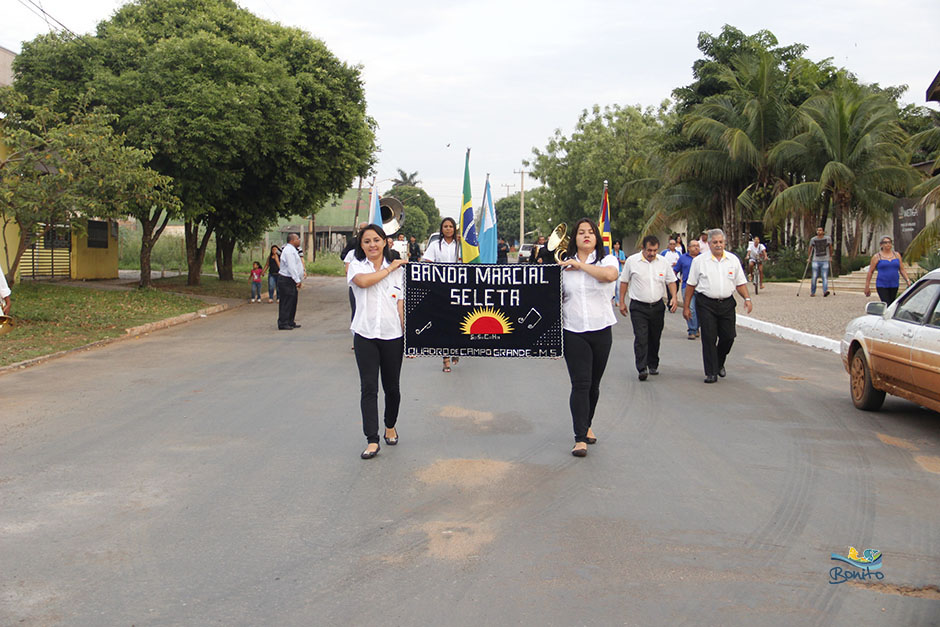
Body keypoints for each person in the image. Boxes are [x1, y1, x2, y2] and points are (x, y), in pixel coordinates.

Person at [559, 218, 620, 457]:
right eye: (581, 232)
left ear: (597, 237)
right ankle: (580, 438)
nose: (586, 235)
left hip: (601, 328)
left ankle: (587, 423)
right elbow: (554, 301)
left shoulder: (608, 260)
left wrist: (581, 266)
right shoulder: (563, 268)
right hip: (573, 330)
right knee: (581, 383)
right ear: (574, 238)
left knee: (594, 384)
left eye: (590, 232)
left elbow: (609, 276)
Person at [348, 224, 408, 459]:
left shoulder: (399, 271)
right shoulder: (356, 265)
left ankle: (390, 425)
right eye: (366, 241)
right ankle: (372, 439)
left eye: (376, 240)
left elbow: (401, 304)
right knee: (369, 387)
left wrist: (409, 336)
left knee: (392, 388)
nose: (372, 245)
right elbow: (363, 282)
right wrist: (389, 268)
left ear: (385, 241)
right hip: (365, 335)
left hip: (393, 335)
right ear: (361, 245)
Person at [683, 229, 752, 383]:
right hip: (706, 303)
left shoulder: (733, 260)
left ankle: (720, 362)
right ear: (709, 244)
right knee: (709, 338)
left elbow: (740, 283)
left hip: (727, 303)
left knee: (728, 337)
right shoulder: (699, 261)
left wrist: (747, 298)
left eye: (721, 242)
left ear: (724, 243)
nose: (718, 245)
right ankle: (711, 372)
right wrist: (686, 307)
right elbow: (690, 285)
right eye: (715, 242)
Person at [618, 235, 678, 381]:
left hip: (657, 306)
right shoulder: (632, 262)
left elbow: (671, 281)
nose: (652, 253)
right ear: (643, 248)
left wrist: (674, 298)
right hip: (639, 307)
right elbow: (624, 282)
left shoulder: (663, 262)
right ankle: (642, 367)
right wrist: (621, 301)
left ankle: (653, 363)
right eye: (649, 250)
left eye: (655, 250)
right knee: (641, 337)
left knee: (654, 337)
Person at [422, 217, 461, 372]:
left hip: (458, 290)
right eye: (445, 226)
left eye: (451, 226)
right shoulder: (435, 245)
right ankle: (445, 359)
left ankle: (457, 349)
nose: (448, 229)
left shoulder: (461, 246)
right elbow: (427, 263)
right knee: (443, 323)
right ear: (441, 228)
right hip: (440, 290)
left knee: (457, 322)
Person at [864, 236, 911, 304]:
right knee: (886, 303)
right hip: (882, 284)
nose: (888, 244)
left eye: (889, 242)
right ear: (881, 245)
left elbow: (902, 269)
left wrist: (908, 280)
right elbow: (870, 272)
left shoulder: (897, 255)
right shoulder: (877, 257)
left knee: (892, 303)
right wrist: (867, 286)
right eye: (885, 243)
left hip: (894, 284)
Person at [673, 239, 702, 340]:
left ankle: (697, 327)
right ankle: (692, 330)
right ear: (688, 247)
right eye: (693, 246)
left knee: (700, 309)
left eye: (697, 245)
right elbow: (675, 270)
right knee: (691, 308)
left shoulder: (703, 258)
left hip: (701, 287)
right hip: (687, 286)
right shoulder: (682, 258)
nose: (696, 247)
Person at [276, 233, 304, 330]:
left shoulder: (293, 250)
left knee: (292, 301)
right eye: (297, 239)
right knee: (286, 302)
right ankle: (283, 322)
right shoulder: (288, 251)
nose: (299, 240)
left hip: (290, 280)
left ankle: (290, 321)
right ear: (292, 240)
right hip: (286, 279)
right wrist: (297, 280)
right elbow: (291, 267)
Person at [808, 227, 833, 297]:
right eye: (818, 230)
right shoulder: (813, 239)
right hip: (815, 260)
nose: (819, 232)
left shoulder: (827, 239)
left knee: (824, 276)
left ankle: (825, 291)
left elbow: (830, 247)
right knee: (814, 276)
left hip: (825, 260)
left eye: (820, 230)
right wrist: (809, 257)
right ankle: (813, 292)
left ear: (823, 232)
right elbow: (810, 248)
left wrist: (830, 256)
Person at [660, 237, 681, 308]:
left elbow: (681, 263)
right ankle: (670, 303)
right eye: (671, 244)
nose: (672, 245)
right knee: (669, 289)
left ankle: (672, 299)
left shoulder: (678, 253)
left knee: (676, 288)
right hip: (667, 275)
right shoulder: (664, 252)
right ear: (668, 245)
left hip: (676, 274)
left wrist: (677, 264)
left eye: (674, 244)